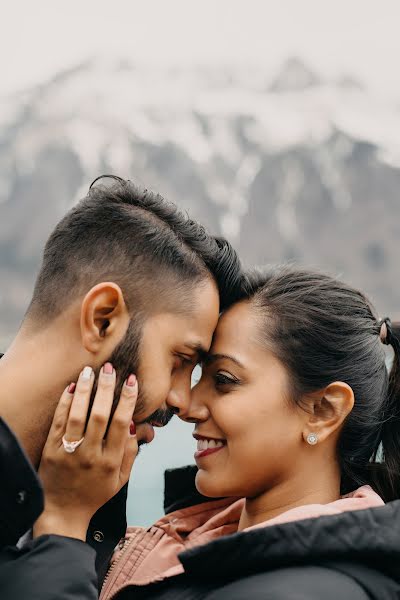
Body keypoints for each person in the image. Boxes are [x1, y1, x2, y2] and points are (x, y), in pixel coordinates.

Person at [71, 265, 399, 600]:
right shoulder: (189, 547)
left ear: (323, 411)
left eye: (224, 380)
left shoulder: (296, 592)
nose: (187, 405)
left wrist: (63, 524)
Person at [0, 175, 243, 599]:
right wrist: (64, 529)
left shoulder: (91, 480)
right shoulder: (78, 497)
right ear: (103, 320)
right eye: (181, 361)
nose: (182, 402)